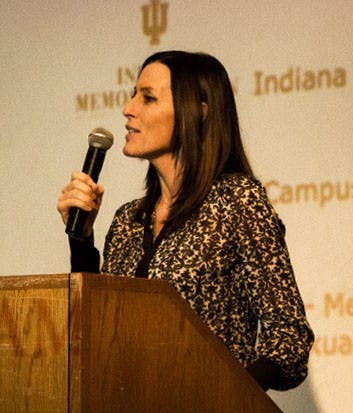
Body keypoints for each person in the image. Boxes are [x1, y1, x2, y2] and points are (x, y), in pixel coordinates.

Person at [57, 50, 313, 391]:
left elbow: (289, 338)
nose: (128, 109)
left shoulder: (236, 201)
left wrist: (229, 396)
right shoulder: (128, 221)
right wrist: (81, 239)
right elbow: (94, 332)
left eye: (147, 98)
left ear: (198, 114)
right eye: (133, 95)